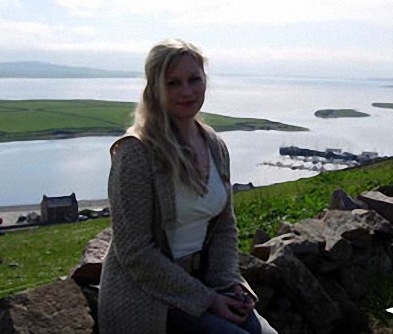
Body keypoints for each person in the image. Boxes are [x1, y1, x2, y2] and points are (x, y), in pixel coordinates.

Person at [98, 39, 277, 334]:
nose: (187, 91)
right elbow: (135, 252)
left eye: (194, 79)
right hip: (149, 297)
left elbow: (223, 226)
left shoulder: (214, 145)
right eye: (173, 83)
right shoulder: (136, 153)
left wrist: (228, 283)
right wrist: (207, 299)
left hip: (207, 284)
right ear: (154, 90)